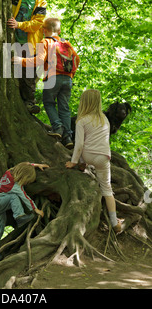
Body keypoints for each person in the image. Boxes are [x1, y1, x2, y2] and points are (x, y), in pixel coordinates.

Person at [13, 17, 79, 149]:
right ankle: (67, 137)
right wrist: (70, 75)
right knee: (64, 107)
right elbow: (76, 60)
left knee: (48, 102)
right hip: (68, 79)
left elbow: (38, 61)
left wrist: (20, 60)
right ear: (59, 31)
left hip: (53, 78)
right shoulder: (67, 44)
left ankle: (57, 127)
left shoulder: (45, 42)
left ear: (44, 30)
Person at [65, 89, 122, 234]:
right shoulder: (105, 120)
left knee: (84, 150)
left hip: (88, 155)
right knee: (107, 190)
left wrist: (73, 161)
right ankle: (115, 222)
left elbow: (79, 145)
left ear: (83, 103)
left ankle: (82, 164)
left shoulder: (82, 120)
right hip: (104, 157)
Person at [0, 162, 48, 255]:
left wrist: (36, 165)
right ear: (23, 177)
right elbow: (25, 197)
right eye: (27, 181)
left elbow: (24, 164)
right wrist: (36, 209)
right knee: (13, 197)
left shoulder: (9, 172)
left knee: (0, 224)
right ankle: (20, 217)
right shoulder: (14, 186)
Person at [7, 0, 47, 114]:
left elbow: (37, 24)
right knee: (14, 72)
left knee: (28, 73)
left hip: (29, 44)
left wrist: (19, 25)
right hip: (12, 41)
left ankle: (29, 103)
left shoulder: (41, 2)